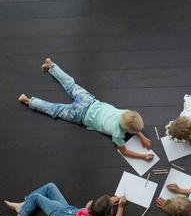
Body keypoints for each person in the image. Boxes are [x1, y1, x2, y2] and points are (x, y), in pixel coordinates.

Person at [18, 58, 154, 161]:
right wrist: (143, 156)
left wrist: (142, 136)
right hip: (81, 116)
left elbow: (132, 123)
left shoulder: (125, 113)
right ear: (126, 130)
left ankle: (51, 66)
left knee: (70, 84)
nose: (138, 132)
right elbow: (124, 151)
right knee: (57, 109)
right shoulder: (118, 134)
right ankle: (28, 101)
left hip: (89, 101)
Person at [1, 182, 127, 216]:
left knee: (35, 197)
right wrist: (120, 206)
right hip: (69, 212)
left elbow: (90, 203)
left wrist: (109, 200)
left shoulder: (88, 208)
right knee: (50, 187)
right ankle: (23, 206)